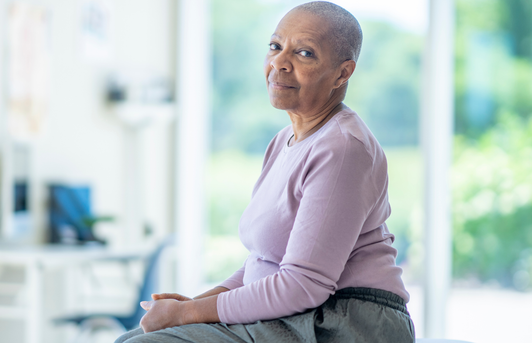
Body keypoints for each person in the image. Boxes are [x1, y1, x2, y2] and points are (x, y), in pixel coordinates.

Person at [116, 1, 415, 342]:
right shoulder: (283, 142)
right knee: (131, 338)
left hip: (345, 320)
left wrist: (187, 314)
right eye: (275, 46)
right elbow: (262, 263)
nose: (279, 63)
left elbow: (302, 285)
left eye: (304, 53)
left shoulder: (343, 148)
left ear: (342, 73)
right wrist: (192, 305)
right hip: (299, 312)